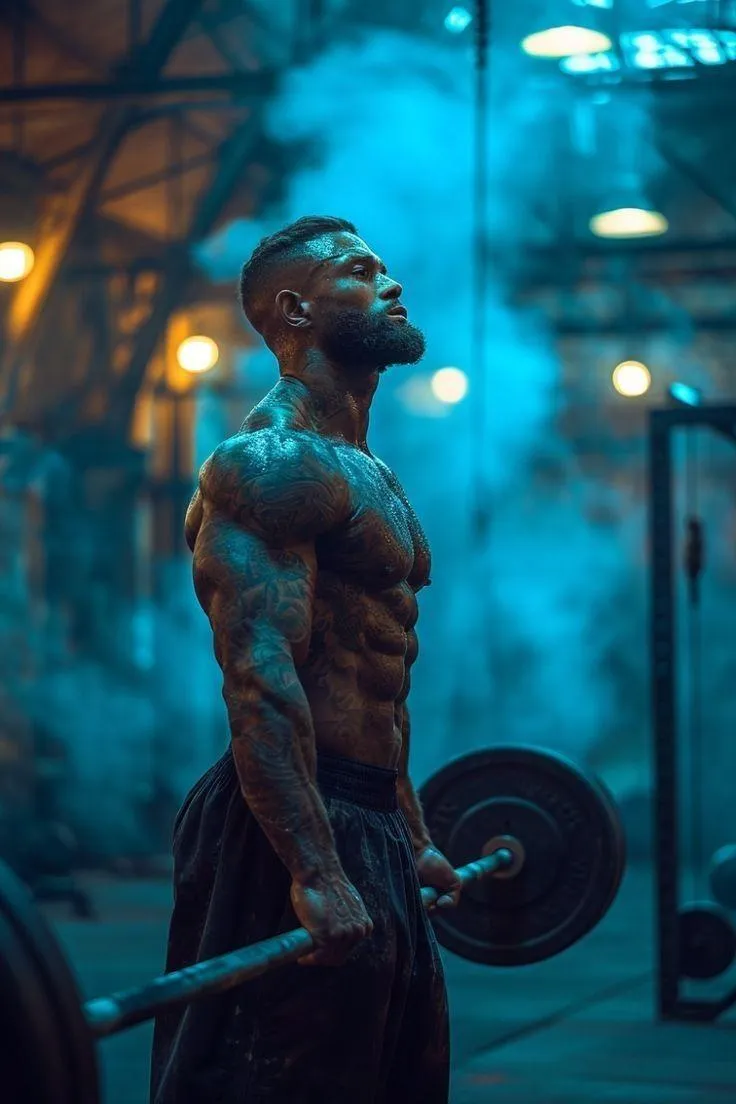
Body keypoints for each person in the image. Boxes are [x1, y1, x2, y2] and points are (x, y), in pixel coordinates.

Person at [150, 215, 462, 1104]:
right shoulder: (270, 464)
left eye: (385, 266)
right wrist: (315, 868)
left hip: (366, 812)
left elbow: (381, 680)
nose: (391, 284)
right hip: (286, 818)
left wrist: (410, 837)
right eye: (360, 272)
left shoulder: (369, 471)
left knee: (400, 1074)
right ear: (295, 311)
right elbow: (262, 678)